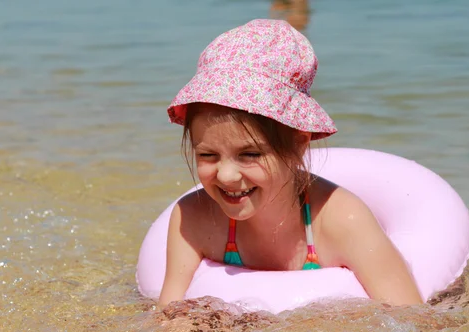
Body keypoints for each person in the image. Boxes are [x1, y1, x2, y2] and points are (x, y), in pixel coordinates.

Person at [159, 19, 422, 308]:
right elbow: (167, 319)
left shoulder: (342, 221)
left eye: (250, 154)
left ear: (299, 143)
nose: (227, 175)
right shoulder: (193, 218)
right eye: (207, 155)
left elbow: (412, 319)